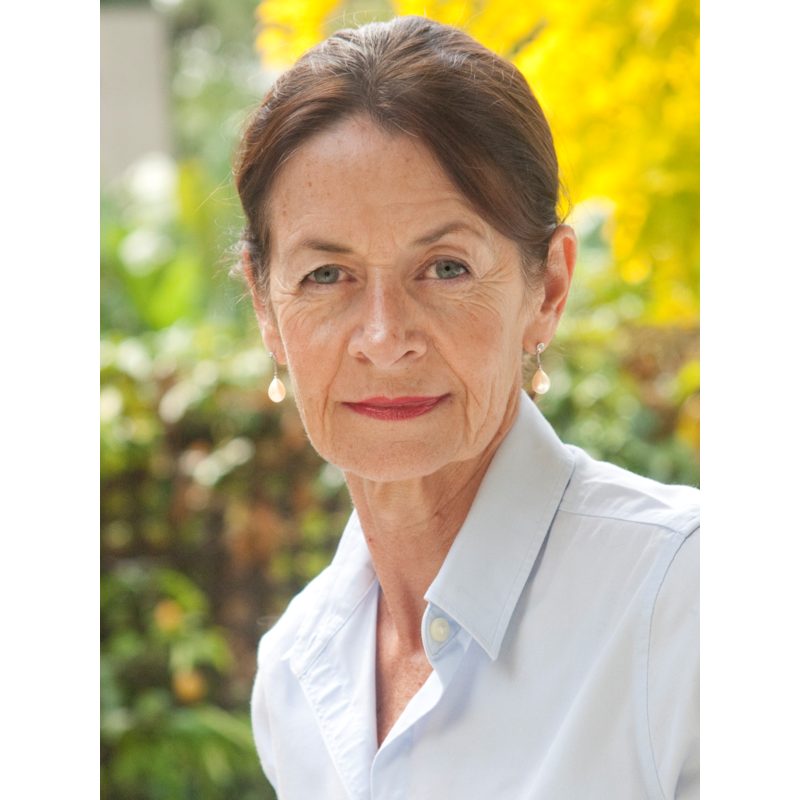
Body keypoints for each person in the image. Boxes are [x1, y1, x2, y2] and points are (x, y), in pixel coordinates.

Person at [234, 15, 699, 800]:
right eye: (326, 276)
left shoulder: (688, 600)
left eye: (445, 267)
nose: (385, 339)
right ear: (265, 307)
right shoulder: (293, 676)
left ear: (547, 290)